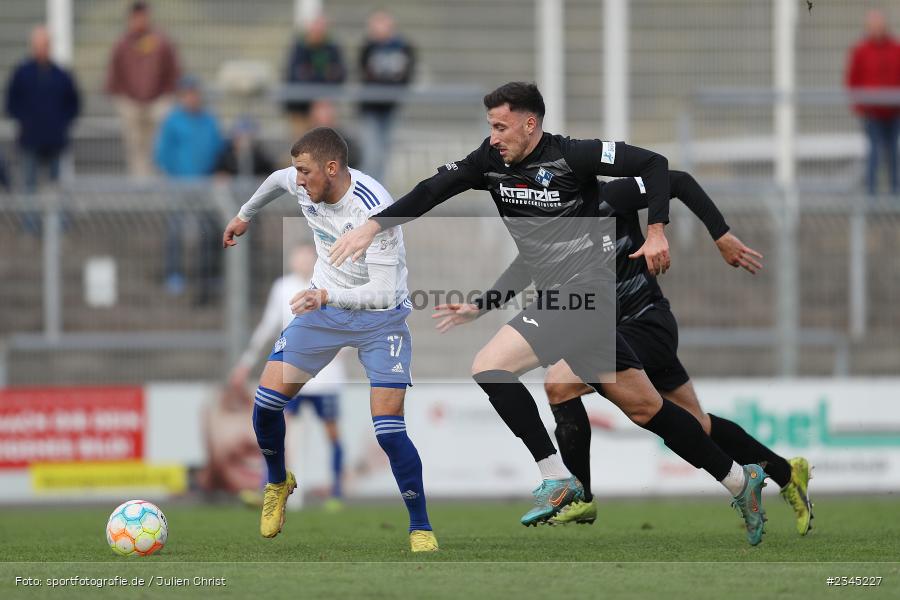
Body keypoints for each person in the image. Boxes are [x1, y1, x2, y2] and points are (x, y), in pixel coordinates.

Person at [330, 82, 768, 545]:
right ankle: (741, 480)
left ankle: (556, 476)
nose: (494, 137)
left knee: (490, 366)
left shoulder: (573, 156)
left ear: (530, 124)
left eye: (502, 127)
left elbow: (656, 165)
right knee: (647, 409)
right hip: (570, 303)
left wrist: (657, 229)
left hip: (585, 295)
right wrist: (375, 226)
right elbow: (430, 190)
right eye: (491, 127)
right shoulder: (489, 161)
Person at [435, 170, 814, 537]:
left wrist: (721, 234)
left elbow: (678, 181)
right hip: (616, 331)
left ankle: (579, 495)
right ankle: (785, 472)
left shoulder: (612, 196)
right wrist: (481, 306)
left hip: (645, 323)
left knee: (560, 383)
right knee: (695, 424)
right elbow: (525, 267)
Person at [221, 127, 438, 552]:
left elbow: (382, 293)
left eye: (305, 172)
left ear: (332, 168)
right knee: (265, 404)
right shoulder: (303, 182)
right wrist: (245, 214)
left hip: (380, 318)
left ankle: (420, 527)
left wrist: (325, 295)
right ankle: (277, 482)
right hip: (326, 310)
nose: (298, 180)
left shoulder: (376, 210)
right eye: (298, 171)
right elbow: (275, 180)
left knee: (389, 430)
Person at [228, 243, 346, 509]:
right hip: (292, 374)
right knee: (277, 428)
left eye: (308, 257)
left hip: (326, 379)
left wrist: (343, 347)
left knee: (332, 434)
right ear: (292, 261)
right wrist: (246, 363)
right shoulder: (282, 288)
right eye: (299, 257)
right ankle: (269, 487)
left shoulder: (332, 285)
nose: (303, 261)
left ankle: (336, 491)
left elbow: (351, 323)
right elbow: (268, 325)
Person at [155, 75, 224, 302]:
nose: (193, 98)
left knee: (209, 230)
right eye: (188, 94)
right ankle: (173, 273)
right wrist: (173, 175)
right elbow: (162, 153)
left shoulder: (209, 120)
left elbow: (218, 149)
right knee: (176, 230)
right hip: (180, 185)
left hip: (205, 185)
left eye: (195, 94)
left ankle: (209, 274)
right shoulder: (173, 121)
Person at [106, 1, 180, 178]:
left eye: (144, 17)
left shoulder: (161, 42)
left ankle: (158, 182)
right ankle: (139, 186)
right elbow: (113, 75)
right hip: (131, 104)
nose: (140, 21)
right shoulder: (122, 44)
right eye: (137, 17)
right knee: (135, 148)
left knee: (158, 145)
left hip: (157, 103)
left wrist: (167, 97)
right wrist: (123, 101)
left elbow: (173, 71)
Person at [5, 25, 80, 192]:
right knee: (29, 185)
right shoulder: (22, 73)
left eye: (44, 45)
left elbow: (73, 103)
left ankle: (57, 211)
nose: (41, 49)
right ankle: (29, 211)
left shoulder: (61, 74)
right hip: (29, 139)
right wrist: (25, 121)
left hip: (55, 139)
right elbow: (11, 103)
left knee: (57, 186)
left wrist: (62, 123)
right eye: (38, 45)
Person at [845, 9, 900, 196]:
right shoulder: (861, 51)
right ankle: (872, 198)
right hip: (872, 114)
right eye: (873, 26)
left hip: (894, 113)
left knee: (894, 155)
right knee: (874, 156)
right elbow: (853, 80)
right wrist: (859, 106)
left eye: (879, 25)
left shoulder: (896, 49)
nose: (877, 29)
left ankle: (895, 197)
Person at [358, 10, 415, 180]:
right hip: (371, 109)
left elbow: (406, 75)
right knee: (371, 154)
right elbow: (364, 74)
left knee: (385, 154)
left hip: (391, 108)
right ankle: (367, 186)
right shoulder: (368, 47)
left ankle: (380, 188)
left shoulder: (403, 47)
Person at [283, 15, 346, 137]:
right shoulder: (300, 47)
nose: (318, 31)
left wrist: (315, 78)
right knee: (301, 142)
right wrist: (323, 76)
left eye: (321, 27)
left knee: (324, 140)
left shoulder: (332, 47)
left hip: (324, 104)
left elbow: (340, 74)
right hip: (300, 107)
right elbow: (297, 75)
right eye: (316, 27)